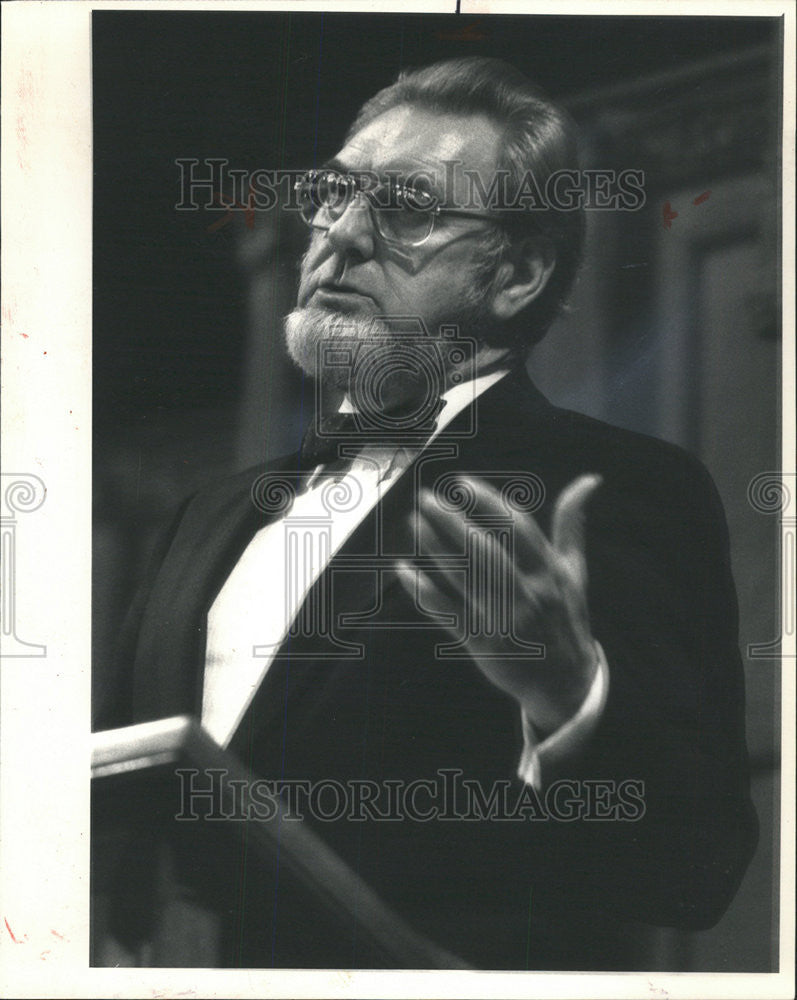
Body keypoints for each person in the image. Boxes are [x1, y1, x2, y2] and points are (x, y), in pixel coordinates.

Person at [107, 57, 757, 970]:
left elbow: (695, 867)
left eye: (407, 208)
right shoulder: (201, 520)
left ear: (517, 276)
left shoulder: (614, 486)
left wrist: (570, 698)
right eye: (332, 195)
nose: (339, 235)